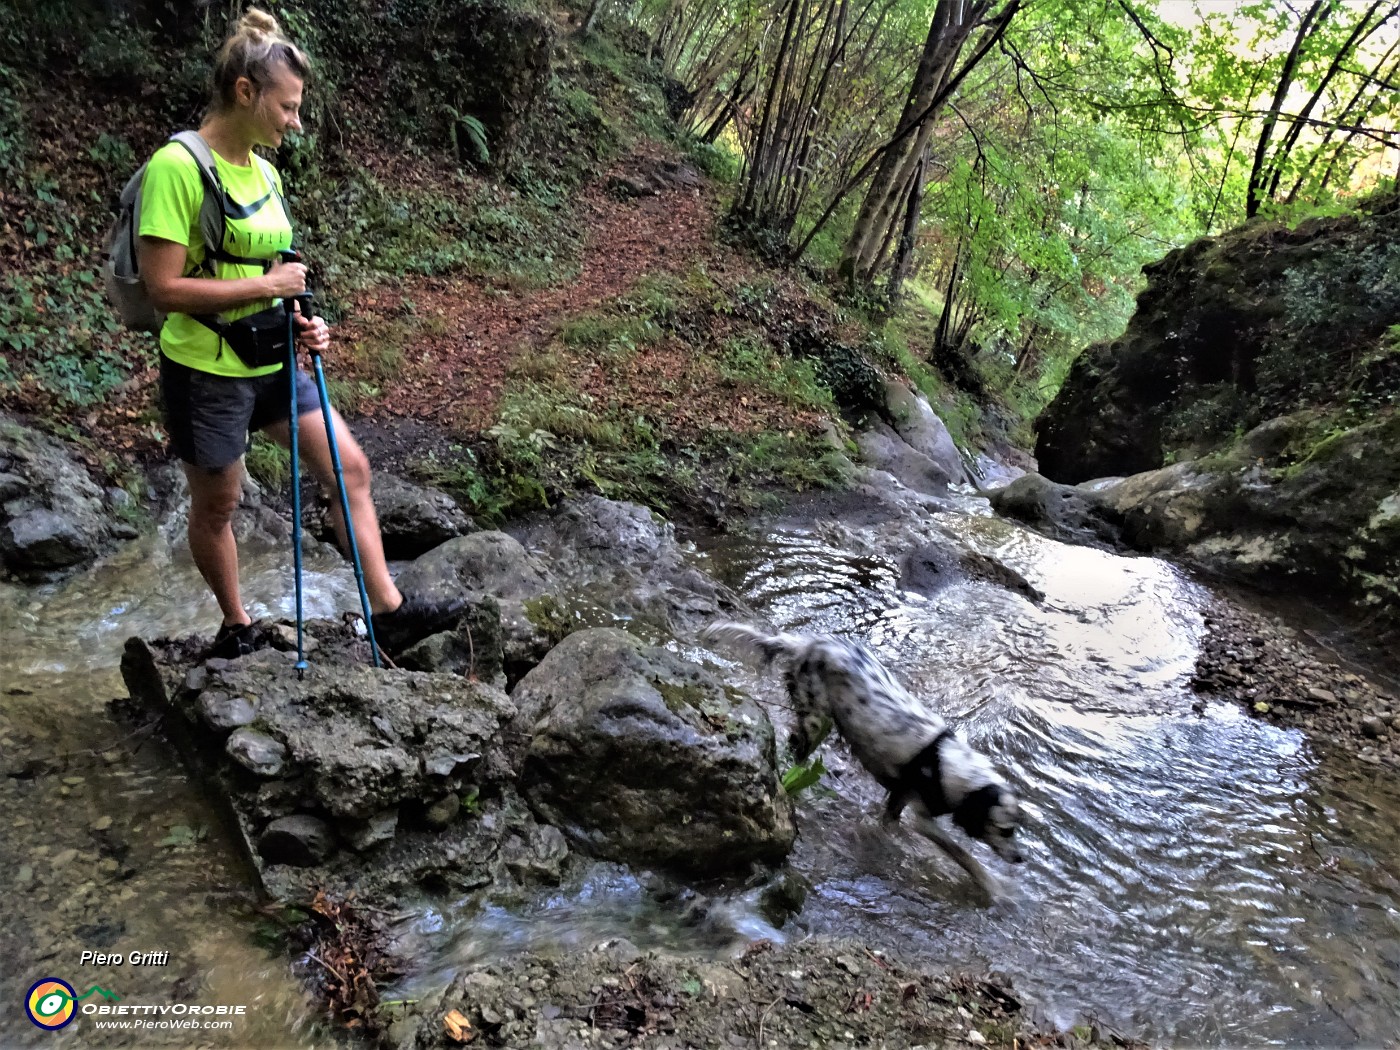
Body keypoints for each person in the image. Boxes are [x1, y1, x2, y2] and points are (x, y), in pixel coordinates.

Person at [139, 7, 462, 658]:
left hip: (277, 359)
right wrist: (269, 288)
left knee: (350, 470)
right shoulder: (175, 168)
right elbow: (163, 289)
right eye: (287, 108)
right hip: (206, 369)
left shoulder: (266, 173)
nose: (295, 122)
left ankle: (388, 611)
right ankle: (237, 625)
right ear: (245, 92)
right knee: (218, 508)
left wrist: (304, 318)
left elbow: (278, 268)